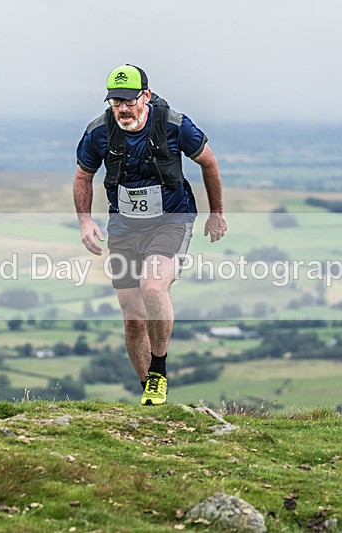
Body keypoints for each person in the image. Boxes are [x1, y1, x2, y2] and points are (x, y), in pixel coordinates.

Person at [74, 64, 227, 405]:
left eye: (128, 100)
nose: (122, 109)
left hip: (171, 221)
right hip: (124, 227)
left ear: (146, 95)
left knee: (153, 284)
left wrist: (217, 213)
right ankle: (151, 394)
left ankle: (159, 369)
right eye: (115, 102)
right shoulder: (99, 131)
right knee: (132, 320)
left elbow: (209, 162)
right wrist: (85, 221)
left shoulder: (174, 123)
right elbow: (83, 176)